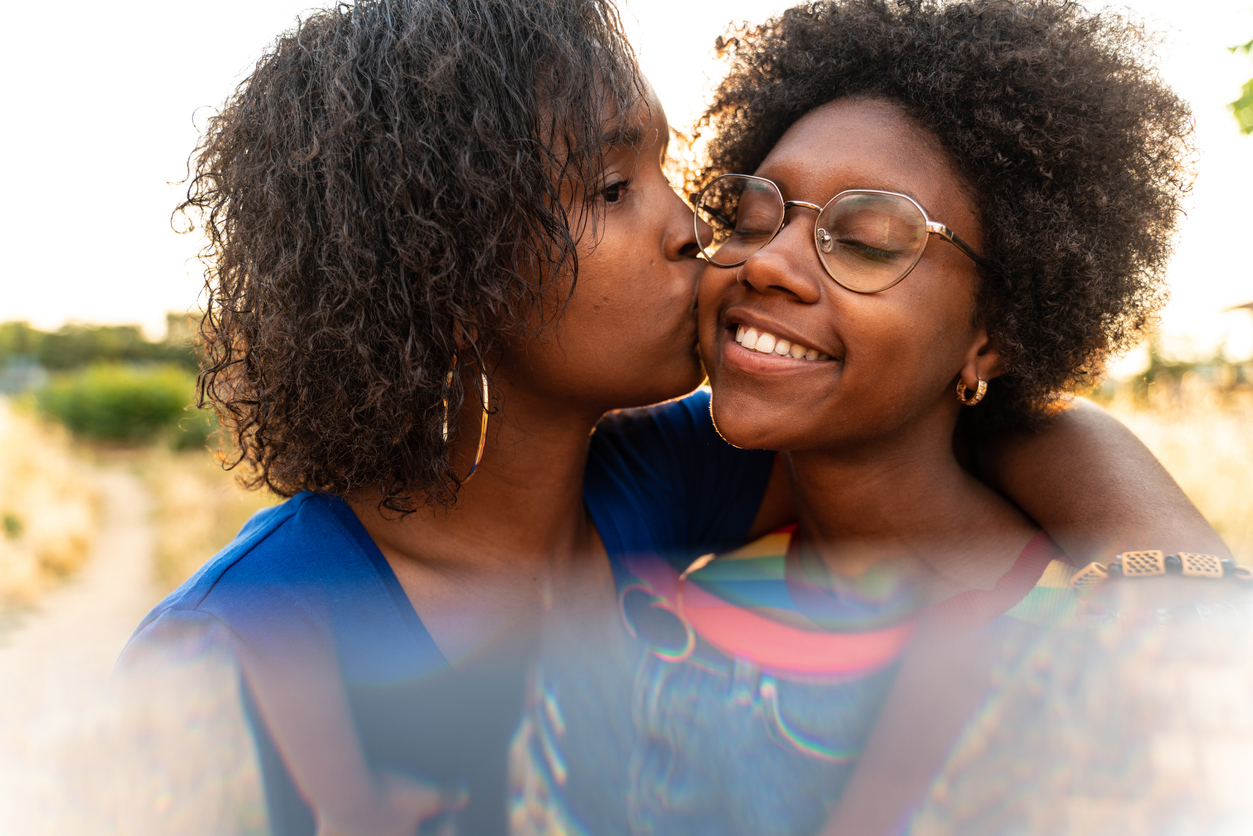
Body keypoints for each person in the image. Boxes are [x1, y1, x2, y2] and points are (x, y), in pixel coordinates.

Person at [118, 1, 1224, 834]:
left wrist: (1168, 583)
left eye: (670, 168)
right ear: (444, 280)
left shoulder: (654, 484)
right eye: (609, 189)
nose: (693, 228)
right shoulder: (230, 648)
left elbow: (940, 420)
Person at [512, 2, 1234, 835]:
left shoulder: (1101, 649)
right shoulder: (674, 564)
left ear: (989, 335)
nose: (770, 262)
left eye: (867, 239)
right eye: (753, 214)